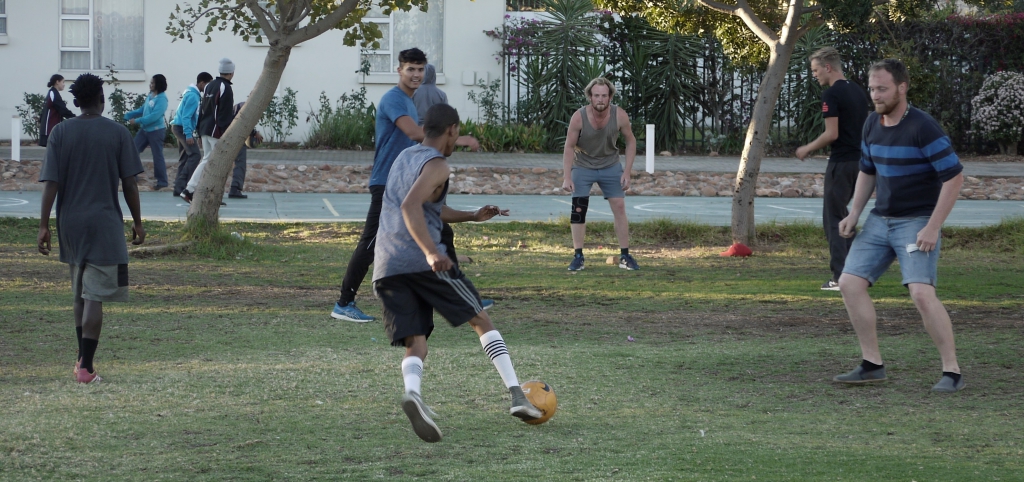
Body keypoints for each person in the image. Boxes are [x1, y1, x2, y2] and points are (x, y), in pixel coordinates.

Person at [373, 103, 538, 443]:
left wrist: (472, 215)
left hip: (387, 265)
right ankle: (517, 395)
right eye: (457, 132)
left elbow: (428, 206)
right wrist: (432, 252)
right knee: (480, 318)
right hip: (423, 261)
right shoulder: (438, 164)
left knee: (416, 341)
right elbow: (410, 206)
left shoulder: (404, 157)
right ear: (452, 130)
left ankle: (413, 395)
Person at [833, 59, 966, 393]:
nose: (876, 95)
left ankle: (952, 371)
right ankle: (872, 365)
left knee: (921, 293)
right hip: (880, 220)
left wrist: (932, 227)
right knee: (848, 283)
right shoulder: (871, 124)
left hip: (917, 222)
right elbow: (868, 171)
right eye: (872, 89)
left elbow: (954, 178)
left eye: (883, 89)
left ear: (902, 88)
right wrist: (854, 213)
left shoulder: (923, 127)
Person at [331, 48, 479, 322]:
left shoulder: (410, 101)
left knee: (443, 231)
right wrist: (459, 139)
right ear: (399, 70)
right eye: (410, 69)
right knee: (370, 243)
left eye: (420, 69)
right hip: (387, 182)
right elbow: (414, 132)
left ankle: (459, 295)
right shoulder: (394, 99)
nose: (416, 74)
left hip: (408, 179)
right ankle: (344, 302)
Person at [36, 73, 146, 384]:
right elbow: (130, 184)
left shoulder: (60, 132)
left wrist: (43, 225)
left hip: (70, 224)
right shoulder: (118, 133)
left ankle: (81, 359)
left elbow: (51, 183)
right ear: (102, 99)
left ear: (75, 101)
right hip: (104, 224)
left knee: (79, 294)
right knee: (94, 296)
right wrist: (138, 222)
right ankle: (86, 367)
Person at [795, 47, 871, 291]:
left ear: (828, 67)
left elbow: (832, 133)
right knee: (847, 217)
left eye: (815, 70)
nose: (814, 74)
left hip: (841, 163)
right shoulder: (857, 90)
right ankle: (857, 272)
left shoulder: (831, 94)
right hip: (861, 162)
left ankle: (841, 277)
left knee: (834, 220)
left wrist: (807, 148)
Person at [561, 77, 638, 271]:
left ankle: (625, 256)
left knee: (619, 206)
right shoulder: (578, 117)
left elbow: (631, 141)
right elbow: (569, 146)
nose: (600, 99)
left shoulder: (619, 115)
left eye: (604, 95)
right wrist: (567, 177)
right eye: (596, 95)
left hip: (610, 164)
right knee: (578, 208)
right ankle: (578, 256)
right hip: (582, 165)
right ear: (590, 97)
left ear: (610, 96)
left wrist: (627, 172)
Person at [181, 58, 235, 203]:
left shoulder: (209, 86)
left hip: (205, 129)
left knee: (207, 159)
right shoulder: (225, 88)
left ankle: (198, 191)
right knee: (214, 162)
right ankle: (190, 190)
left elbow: (203, 110)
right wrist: (225, 132)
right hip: (216, 131)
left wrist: (199, 131)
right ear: (232, 73)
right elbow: (224, 114)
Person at [170, 72, 214, 198]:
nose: (208, 88)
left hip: (178, 127)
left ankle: (178, 188)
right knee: (195, 155)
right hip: (182, 128)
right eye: (208, 84)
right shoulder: (193, 96)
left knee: (185, 157)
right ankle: (183, 186)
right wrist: (188, 134)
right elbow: (186, 116)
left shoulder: (191, 94)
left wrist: (197, 134)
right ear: (201, 83)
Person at [125, 74, 170, 190]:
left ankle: (162, 181)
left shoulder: (162, 99)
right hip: (144, 130)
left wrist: (137, 121)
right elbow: (143, 109)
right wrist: (129, 115)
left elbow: (154, 116)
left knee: (157, 155)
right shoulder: (151, 95)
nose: (150, 85)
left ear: (158, 84)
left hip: (156, 131)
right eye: (150, 82)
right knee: (133, 150)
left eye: (153, 83)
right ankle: (132, 176)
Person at [226, 102, 264, 199]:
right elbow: (243, 122)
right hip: (236, 137)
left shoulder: (240, 105)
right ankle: (235, 189)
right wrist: (254, 133)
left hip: (227, 134)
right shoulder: (248, 107)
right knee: (240, 163)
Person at [38, 74, 76, 147]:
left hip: (50, 128)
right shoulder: (53, 93)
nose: (64, 84)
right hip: (50, 128)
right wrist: (74, 117)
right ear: (57, 82)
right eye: (63, 82)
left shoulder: (52, 92)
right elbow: (62, 108)